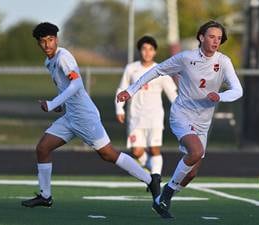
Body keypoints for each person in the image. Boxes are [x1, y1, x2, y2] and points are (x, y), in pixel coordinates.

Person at [21, 22, 160, 208]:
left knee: (109, 154)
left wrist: (53, 103)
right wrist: (60, 104)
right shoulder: (49, 62)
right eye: (43, 41)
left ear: (57, 39)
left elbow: (77, 85)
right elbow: (67, 87)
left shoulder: (63, 57)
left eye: (50, 40)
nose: (47, 45)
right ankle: (45, 196)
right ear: (38, 43)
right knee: (42, 149)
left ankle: (150, 180)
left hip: (85, 117)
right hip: (71, 116)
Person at [117, 20, 243, 218]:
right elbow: (156, 70)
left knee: (191, 173)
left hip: (203, 122)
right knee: (196, 151)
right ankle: (165, 194)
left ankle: (161, 201)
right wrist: (130, 90)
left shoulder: (223, 61)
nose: (215, 41)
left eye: (219, 38)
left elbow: (238, 90)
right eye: (211, 36)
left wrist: (221, 96)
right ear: (201, 37)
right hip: (182, 115)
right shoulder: (185, 58)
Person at [115, 36, 177, 176]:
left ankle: (156, 179)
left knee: (154, 149)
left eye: (150, 49)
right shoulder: (131, 69)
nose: (147, 52)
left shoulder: (161, 70)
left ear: (154, 52)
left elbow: (173, 94)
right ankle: (154, 172)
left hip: (154, 117)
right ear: (139, 51)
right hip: (135, 117)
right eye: (144, 49)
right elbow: (121, 90)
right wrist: (119, 108)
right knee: (136, 151)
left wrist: (180, 110)